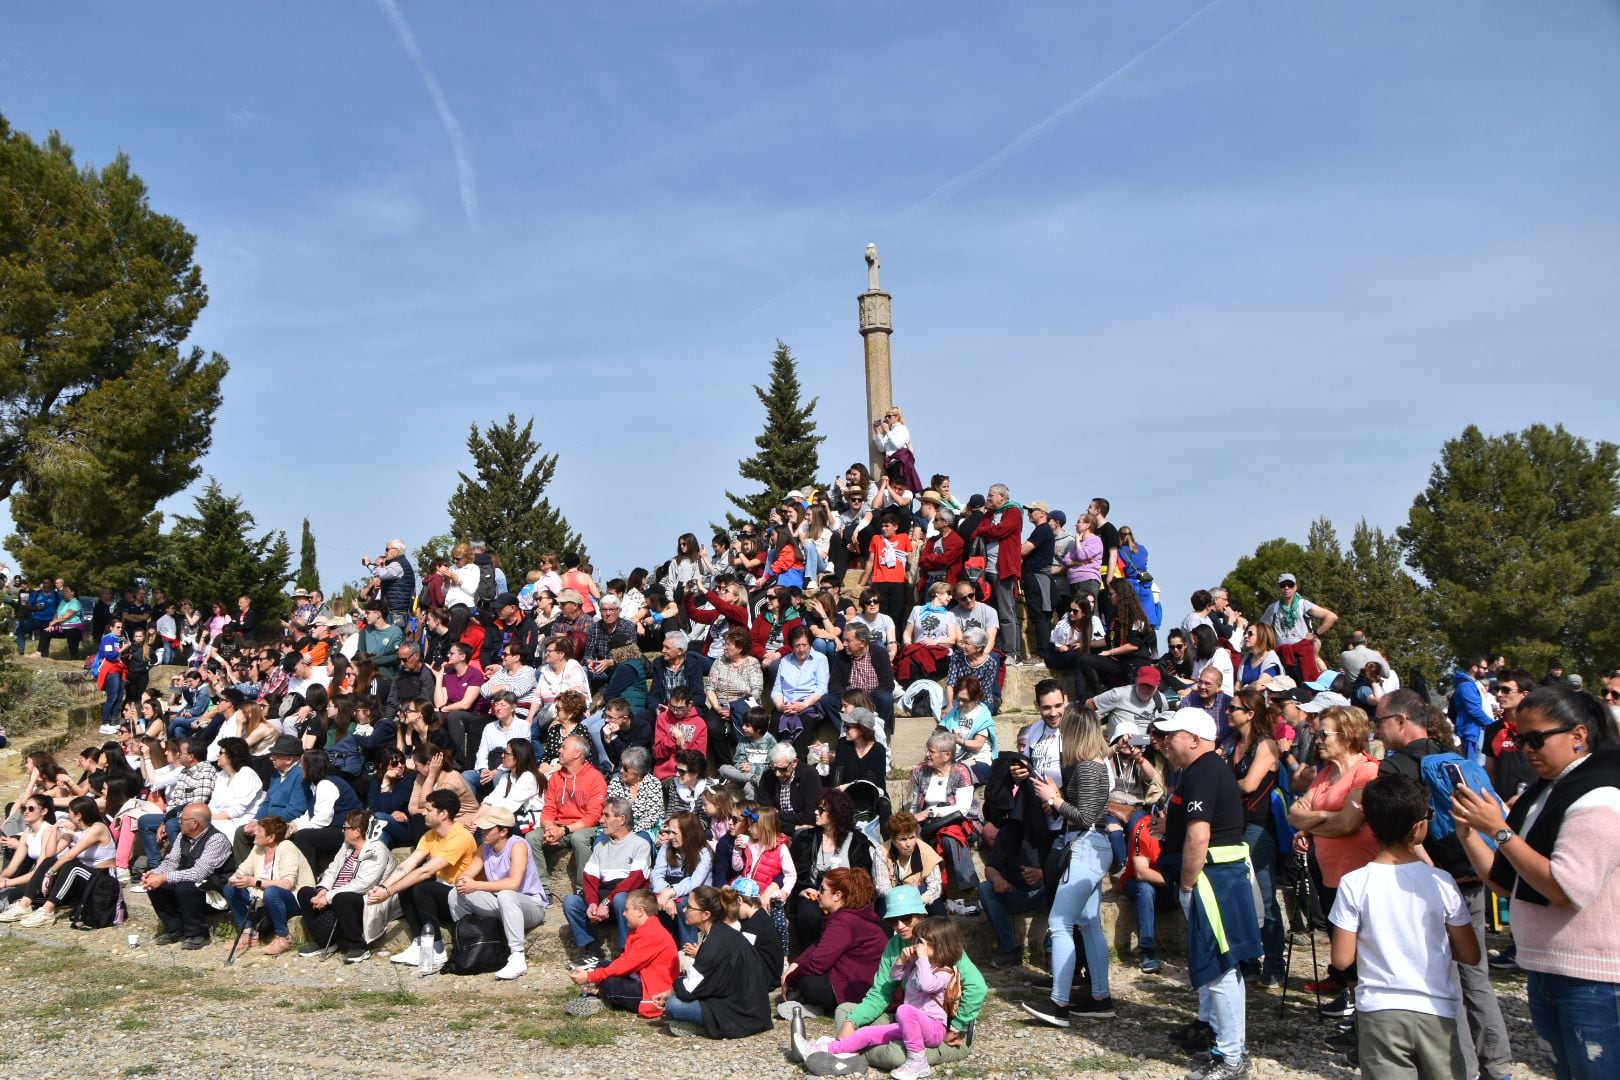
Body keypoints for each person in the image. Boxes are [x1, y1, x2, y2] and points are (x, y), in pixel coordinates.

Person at [1450, 684, 1620, 1080]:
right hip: (1549, 968)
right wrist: (1471, 833)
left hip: (1594, 977)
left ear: (1578, 736)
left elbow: (1566, 889)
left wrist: (1502, 832)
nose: (1526, 749)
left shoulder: (1600, 797)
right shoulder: (1546, 793)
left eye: (1536, 739)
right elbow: (1507, 882)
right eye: (1519, 738)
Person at [1374, 688, 1515, 1079]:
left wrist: (1430, 875)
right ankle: (1499, 1065)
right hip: (1475, 871)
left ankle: (1463, 1070)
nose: (1379, 730)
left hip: (1434, 882)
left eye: (1381, 722)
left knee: (1446, 980)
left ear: (1401, 721)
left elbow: (1407, 833)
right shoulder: (1451, 754)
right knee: (1477, 976)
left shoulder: (1395, 767)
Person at [1329, 775, 1480, 1080]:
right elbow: (1470, 954)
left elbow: (1341, 960)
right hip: (1436, 1009)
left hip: (1379, 1011)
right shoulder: (1442, 882)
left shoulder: (1353, 884)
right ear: (1417, 827)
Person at [1155, 708, 1260, 1080]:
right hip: (1215, 878)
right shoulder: (1202, 772)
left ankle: (1231, 1057)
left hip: (1211, 880)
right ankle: (1222, 1042)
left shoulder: (1202, 773)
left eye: (1173, 735)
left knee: (1219, 968)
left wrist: (1186, 883)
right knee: (1218, 966)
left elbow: (1200, 836)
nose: (1166, 741)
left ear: (1195, 740)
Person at [818, 885, 985, 1075]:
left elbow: (977, 987)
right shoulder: (895, 945)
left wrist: (956, 1027)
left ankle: (848, 1050)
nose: (900, 926)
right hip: (910, 1022)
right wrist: (853, 1022)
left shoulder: (942, 942)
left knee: (896, 1055)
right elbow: (881, 993)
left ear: (921, 916)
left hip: (944, 1033)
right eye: (893, 921)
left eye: (906, 919)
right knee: (845, 1011)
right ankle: (850, 1047)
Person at [1022, 706, 1116, 1026]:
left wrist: (1055, 798)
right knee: (1089, 923)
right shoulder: (1093, 765)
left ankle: (1059, 1004)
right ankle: (1100, 998)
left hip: (1086, 847)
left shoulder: (1088, 767)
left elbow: (1085, 817)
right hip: (1092, 847)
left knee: (1060, 923)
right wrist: (1056, 799)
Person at [798, 915, 964, 1080]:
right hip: (908, 1025)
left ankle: (918, 1061)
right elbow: (896, 975)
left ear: (937, 945)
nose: (916, 945)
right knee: (868, 1033)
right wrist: (902, 960)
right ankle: (824, 1049)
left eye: (920, 942)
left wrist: (921, 958)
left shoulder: (945, 972)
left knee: (905, 1010)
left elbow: (927, 984)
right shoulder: (917, 965)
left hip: (933, 1029)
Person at [1220, 688, 1284, 985]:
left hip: (1259, 826)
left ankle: (1273, 963)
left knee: (1266, 896)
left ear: (1250, 714)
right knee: (1241, 894)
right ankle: (1248, 962)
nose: (1228, 711)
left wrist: (1219, 789)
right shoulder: (1235, 744)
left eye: (1234, 708)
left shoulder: (1266, 745)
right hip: (1238, 823)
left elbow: (1249, 785)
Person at [377, 789, 479, 974]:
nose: (423, 813)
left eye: (429, 809)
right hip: (443, 896)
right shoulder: (430, 835)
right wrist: (384, 886)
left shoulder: (461, 836)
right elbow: (408, 864)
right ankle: (419, 944)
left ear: (444, 813)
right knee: (407, 887)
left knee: (422, 887)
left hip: (463, 900)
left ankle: (437, 949)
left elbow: (427, 870)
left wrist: (388, 892)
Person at [658, 884, 774, 1039]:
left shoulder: (715, 941)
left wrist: (673, 989)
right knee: (675, 997)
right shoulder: (719, 933)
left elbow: (688, 991)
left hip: (741, 1013)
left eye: (689, 907)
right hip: (749, 1006)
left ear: (706, 915)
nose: (684, 910)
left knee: (673, 1005)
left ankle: (703, 1026)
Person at [447, 804, 548, 980]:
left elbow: (513, 884)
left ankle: (517, 956)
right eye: (482, 828)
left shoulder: (518, 845)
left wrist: (476, 885)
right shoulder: (484, 847)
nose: (482, 831)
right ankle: (471, 944)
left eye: (487, 828)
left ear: (503, 831)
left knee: (506, 894)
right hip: (500, 903)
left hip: (530, 905)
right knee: (455, 894)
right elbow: (464, 877)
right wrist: (463, 882)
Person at [782, 866, 887, 1020]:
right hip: (860, 978)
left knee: (807, 983)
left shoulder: (843, 921)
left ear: (837, 895)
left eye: (823, 890)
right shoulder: (849, 915)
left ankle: (825, 1005)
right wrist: (796, 965)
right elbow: (818, 946)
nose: (818, 893)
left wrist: (792, 979)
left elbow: (818, 963)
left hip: (863, 986)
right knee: (806, 976)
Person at [295, 810, 400, 963]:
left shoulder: (377, 850)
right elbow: (332, 869)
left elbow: (364, 884)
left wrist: (329, 897)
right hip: (335, 895)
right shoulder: (347, 846)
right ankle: (324, 942)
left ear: (357, 831)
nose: (342, 830)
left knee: (342, 898)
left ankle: (358, 946)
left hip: (366, 899)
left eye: (345, 827)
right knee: (305, 893)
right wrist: (323, 890)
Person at [563, 797, 652, 968]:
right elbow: (590, 878)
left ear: (622, 819)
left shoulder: (640, 844)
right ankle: (591, 952)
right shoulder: (601, 845)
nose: (601, 820)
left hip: (624, 901)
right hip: (605, 900)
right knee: (571, 902)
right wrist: (592, 904)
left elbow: (634, 880)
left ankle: (627, 952)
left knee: (621, 899)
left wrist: (605, 902)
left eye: (606, 815)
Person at [786, 788, 874, 949]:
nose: (816, 812)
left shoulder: (857, 841)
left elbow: (865, 877)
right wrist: (802, 890)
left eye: (821, 810)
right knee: (807, 913)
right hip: (815, 894)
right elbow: (792, 873)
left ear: (836, 813)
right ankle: (812, 953)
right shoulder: (806, 839)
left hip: (847, 896)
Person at [571, 889, 680, 1018]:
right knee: (603, 964)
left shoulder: (651, 933)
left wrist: (590, 977)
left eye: (627, 909)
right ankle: (601, 992)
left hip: (652, 991)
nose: (623, 913)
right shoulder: (638, 928)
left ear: (640, 911)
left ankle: (601, 994)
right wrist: (597, 976)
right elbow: (625, 960)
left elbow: (626, 965)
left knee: (610, 984)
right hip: (640, 977)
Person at [140, 802, 234, 950]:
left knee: (185, 887)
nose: (179, 823)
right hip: (190, 886)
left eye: (182, 820)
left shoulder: (216, 840)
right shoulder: (182, 837)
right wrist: (155, 874)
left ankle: (198, 934)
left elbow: (199, 873)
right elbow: (172, 861)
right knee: (155, 885)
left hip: (214, 893)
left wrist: (165, 877)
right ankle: (175, 928)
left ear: (195, 823)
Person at [222, 815, 315, 955]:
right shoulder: (259, 848)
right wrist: (235, 878)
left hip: (293, 898)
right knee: (230, 888)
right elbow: (243, 869)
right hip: (263, 897)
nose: (254, 833)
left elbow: (287, 884)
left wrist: (255, 882)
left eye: (259, 830)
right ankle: (248, 934)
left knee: (272, 891)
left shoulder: (287, 848)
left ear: (271, 837)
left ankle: (283, 937)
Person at [540, 733, 608, 890]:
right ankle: (543, 889)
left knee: (579, 838)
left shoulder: (595, 778)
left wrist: (564, 830)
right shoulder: (556, 777)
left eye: (564, 747)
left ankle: (583, 890)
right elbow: (549, 808)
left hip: (583, 828)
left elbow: (593, 817)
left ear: (577, 753)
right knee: (531, 838)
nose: (559, 750)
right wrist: (549, 827)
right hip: (558, 826)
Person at [1073, 579, 1157, 698]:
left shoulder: (1136, 616)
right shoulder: (1114, 615)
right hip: (1119, 662)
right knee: (1085, 660)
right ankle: (1101, 697)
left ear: (1120, 594)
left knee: (1133, 696)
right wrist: (1085, 644)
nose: (1109, 597)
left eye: (1111, 594)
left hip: (1135, 663)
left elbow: (1134, 645)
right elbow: (1108, 640)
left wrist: (1109, 652)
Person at [650, 811, 713, 947]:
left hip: (696, 894)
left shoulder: (704, 853)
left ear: (688, 833)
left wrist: (670, 894)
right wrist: (668, 895)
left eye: (675, 833)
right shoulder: (666, 848)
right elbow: (657, 875)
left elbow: (694, 882)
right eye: (669, 832)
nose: (670, 836)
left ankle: (688, 949)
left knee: (683, 905)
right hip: (669, 893)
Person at [1261, 573, 1337, 682]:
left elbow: (1331, 617)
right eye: (1283, 585)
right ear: (1279, 588)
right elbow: (1261, 628)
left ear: (1295, 587)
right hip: (1282, 654)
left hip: (1302, 653)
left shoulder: (1303, 604)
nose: (1286, 588)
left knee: (1308, 684)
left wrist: (1316, 633)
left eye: (1290, 585)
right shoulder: (1273, 608)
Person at [906, 731, 975, 846]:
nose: (927, 754)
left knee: (949, 839)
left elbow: (962, 809)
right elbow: (915, 804)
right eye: (927, 750)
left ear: (947, 755)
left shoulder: (961, 772)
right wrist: (911, 820)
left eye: (931, 752)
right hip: (926, 822)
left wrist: (930, 812)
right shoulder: (920, 771)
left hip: (954, 820)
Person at [873, 810, 943, 915]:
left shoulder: (926, 851)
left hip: (921, 896)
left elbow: (935, 887)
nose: (909, 844)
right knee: (882, 905)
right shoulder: (882, 851)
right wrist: (906, 893)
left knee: (938, 910)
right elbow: (882, 887)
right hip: (894, 898)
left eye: (912, 837)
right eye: (903, 839)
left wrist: (918, 899)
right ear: (893, 839)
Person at [758, 741, 823, 833]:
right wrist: (792, 828)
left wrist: (778, 814)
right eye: (774, 769)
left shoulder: (809, 775)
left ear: (794, 763)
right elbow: (764, 817)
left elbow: (810, 816)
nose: (777, 774)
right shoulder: (767, 777)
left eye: (782, 769)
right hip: (777, 830)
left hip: (804, 833)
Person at [942, 677, 996, 783]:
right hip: (957, 760)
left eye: (965, 700)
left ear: (976, 699)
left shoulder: (982, 715)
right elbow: (940, 732)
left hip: (979, 761)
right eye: (958, 699)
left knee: (956, 775)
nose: (960, 703)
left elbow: (977, 746)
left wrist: (960, 741)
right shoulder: (955, 711)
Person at [719, 707, 776, 801]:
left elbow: (772, 768)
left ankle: (749, 812)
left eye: (747, 725)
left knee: (749, 787)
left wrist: (752, 768)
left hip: (760, 779)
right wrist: (742, 766)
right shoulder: (744, 740)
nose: (743, 727)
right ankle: (750, 778)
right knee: (723, 769)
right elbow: (737, 760)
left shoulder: (771, 742)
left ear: (758, 728)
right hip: (744, 775)